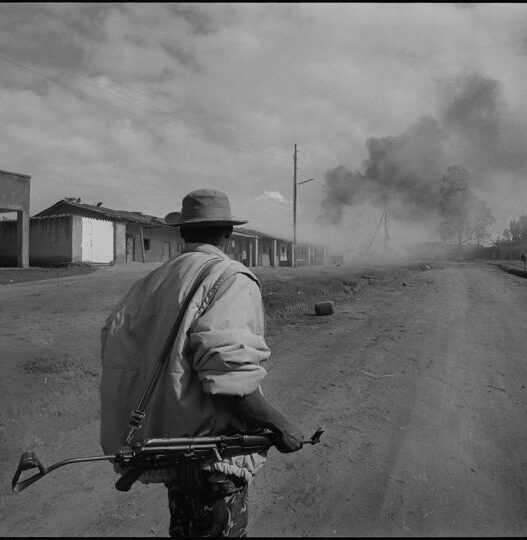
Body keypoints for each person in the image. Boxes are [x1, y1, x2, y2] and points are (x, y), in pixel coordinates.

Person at [99, 188, 304, 537]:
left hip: (172, 449)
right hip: (212, 457)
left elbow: (118, 353)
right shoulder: (230, 278)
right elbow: (229, 382)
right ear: (228, 232)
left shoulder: (150, 281)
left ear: (182, 232)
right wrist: (281, 425)